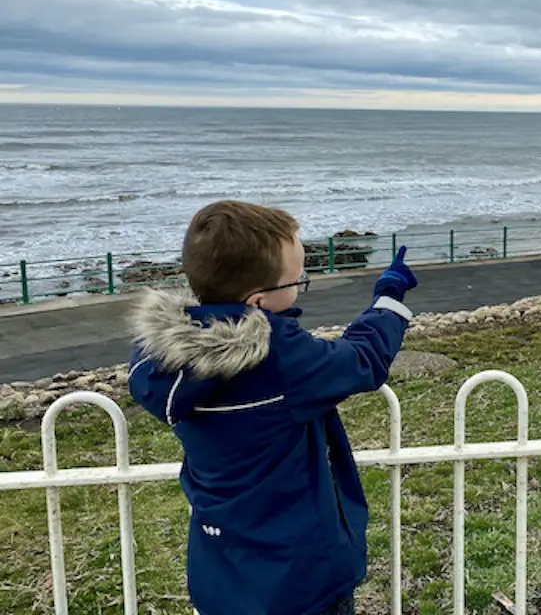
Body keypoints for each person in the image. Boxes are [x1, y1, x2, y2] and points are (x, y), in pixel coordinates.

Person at [128, 200, 417, 615]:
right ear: (259, 302)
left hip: (223, 570)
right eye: (298, 280)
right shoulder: (277, 356)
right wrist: (389, 298)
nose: (301, 284)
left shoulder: (158, 356)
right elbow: (362, 359)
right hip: (301, 576)